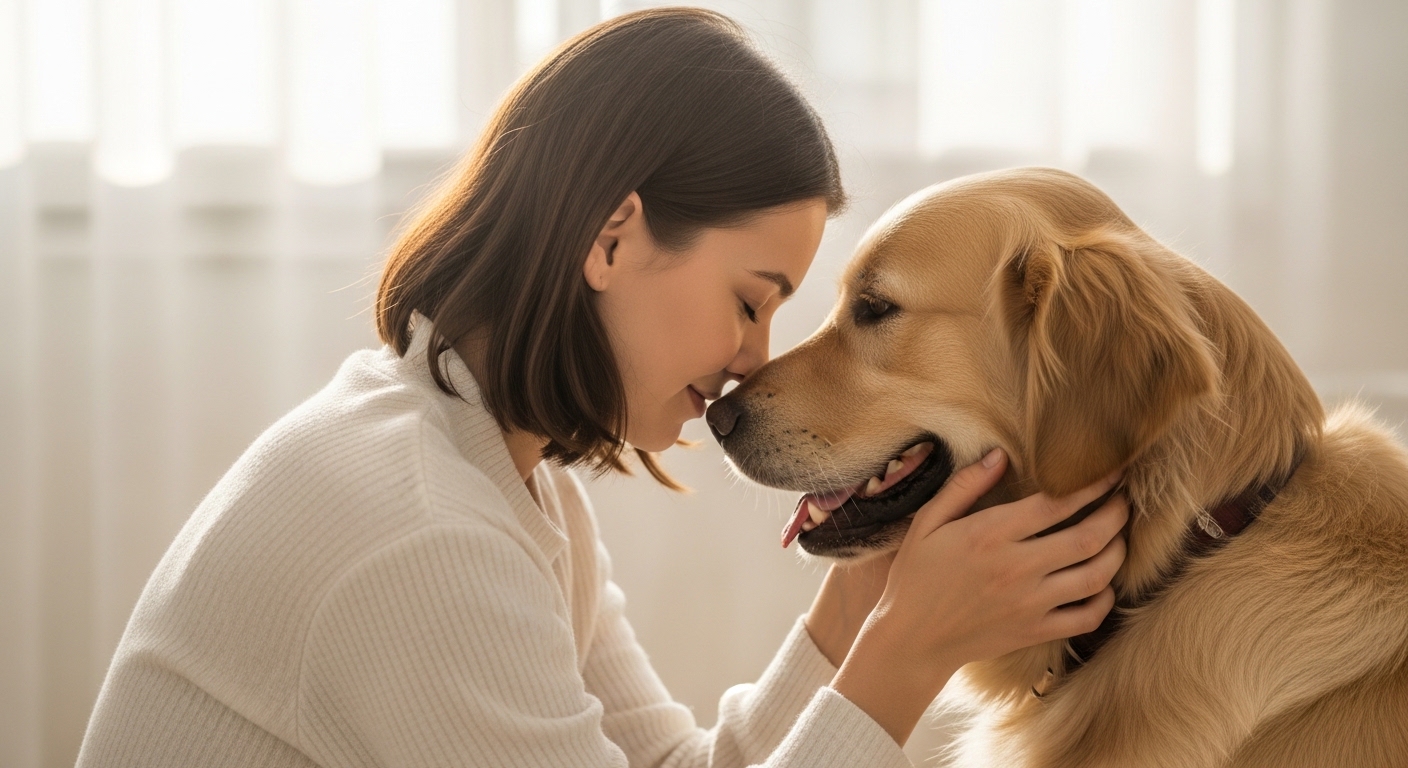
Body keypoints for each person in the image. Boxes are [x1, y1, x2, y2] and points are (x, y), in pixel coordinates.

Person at [76, 8, 1127, 767]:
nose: (755, 360)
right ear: (615, 237)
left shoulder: (502, 482)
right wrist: (905, 655)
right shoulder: (419, 533)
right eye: (751, 300)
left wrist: (862, 599)